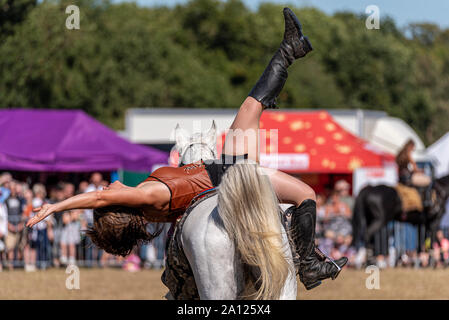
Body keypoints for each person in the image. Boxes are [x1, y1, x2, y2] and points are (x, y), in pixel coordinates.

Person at [28, 8, 347, 289]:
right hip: (235, 176)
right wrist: (55, 208)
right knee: (307, 194)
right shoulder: (144, 197)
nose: (107, 186)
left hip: (226, 165)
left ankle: (291, 48)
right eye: (109, 196)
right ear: (119, 205)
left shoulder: (151, 203)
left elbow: (103, 196)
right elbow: (98, 197)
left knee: (252, 105)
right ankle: (308, 264)